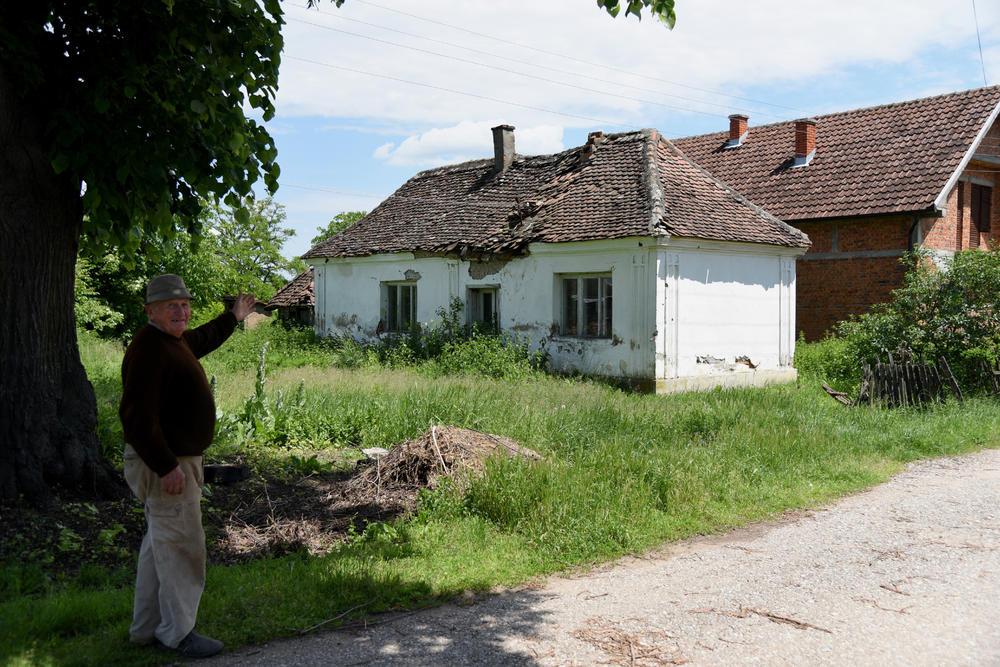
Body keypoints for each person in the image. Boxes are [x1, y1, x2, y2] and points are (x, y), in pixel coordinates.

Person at [119, 274, 255, 659]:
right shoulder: (149, 349)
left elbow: (202, 338)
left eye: (184, 304)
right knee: (182, 547)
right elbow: (136, 417)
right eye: (171, 306)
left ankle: (145, 630)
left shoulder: (171, 341)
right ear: (150, 311)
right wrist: (165, 466)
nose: (181, 311)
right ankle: (178, 633)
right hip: (167, 464)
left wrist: (234, 317)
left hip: (174, 461)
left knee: (158, 545)